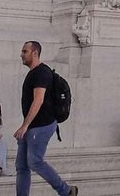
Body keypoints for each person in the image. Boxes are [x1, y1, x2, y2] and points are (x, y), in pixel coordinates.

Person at [15, 41, 77, 196]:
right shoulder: (34, 72)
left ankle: (67, 191)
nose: (22, 54)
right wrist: (25, 126)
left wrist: (24, 125)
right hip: (32, 125)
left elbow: (38, 100)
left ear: (35, 53)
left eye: (25, 51)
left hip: (41, 125)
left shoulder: (41, 73)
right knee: (22, 166)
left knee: (35, 161)